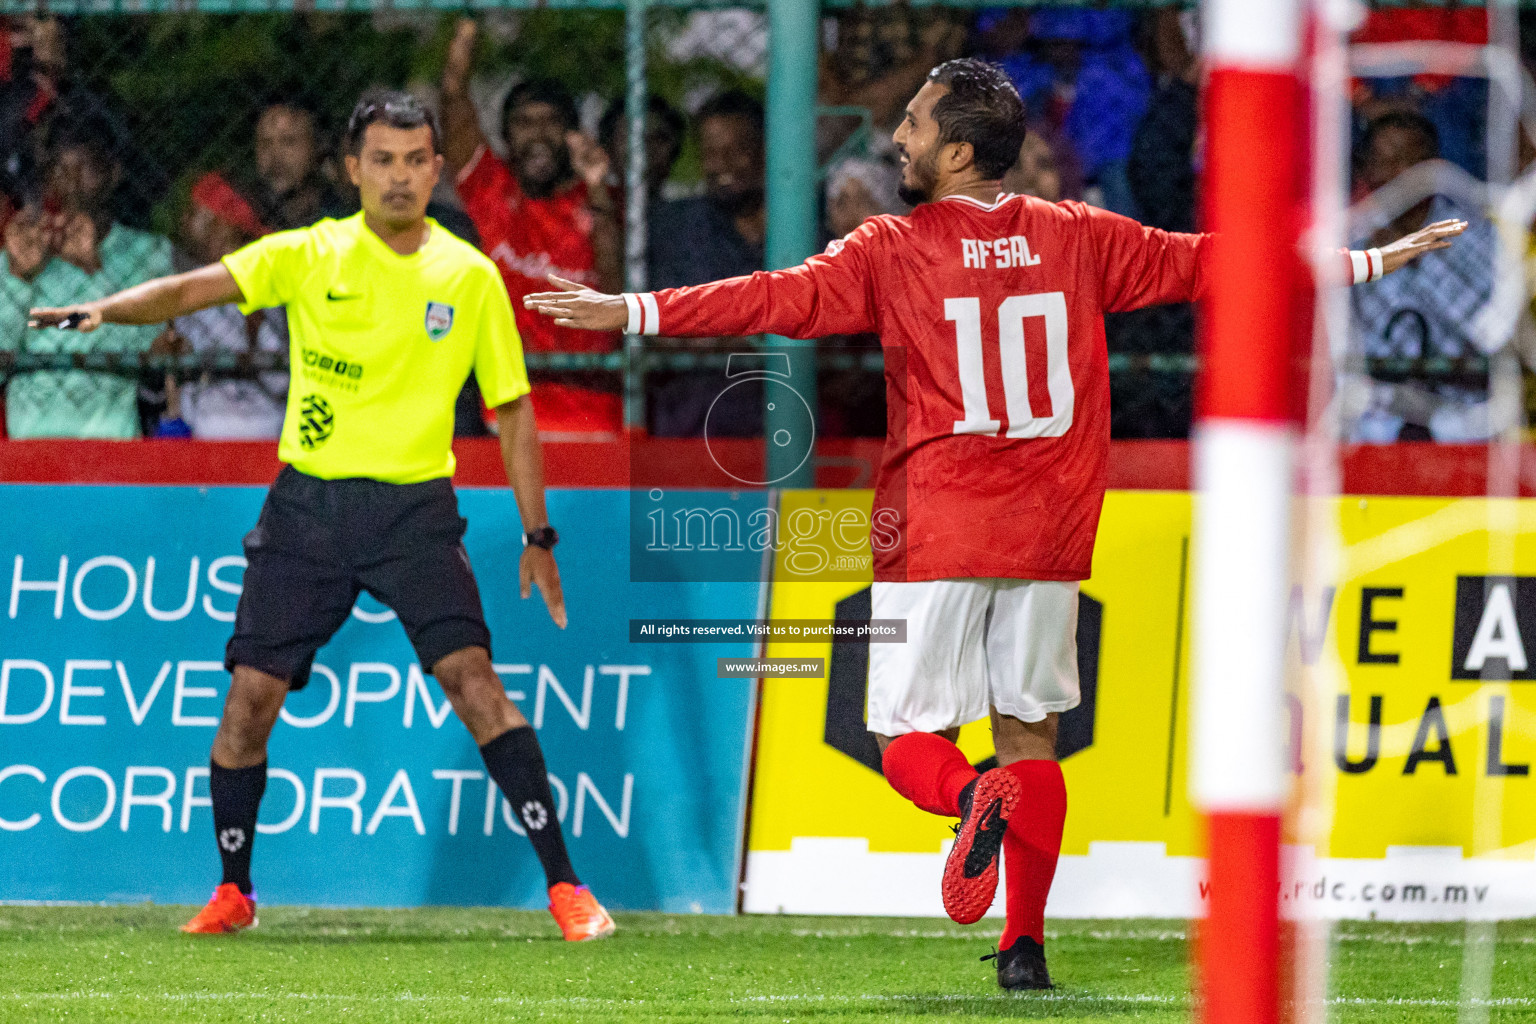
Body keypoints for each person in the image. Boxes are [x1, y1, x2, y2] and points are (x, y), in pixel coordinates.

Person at [525, 59, 1461, 987]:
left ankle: (975, 798)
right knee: (1032, 735)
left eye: (918, 125)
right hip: (1051, 527)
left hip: (940, 520)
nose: (898, 137)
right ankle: (1024, 950)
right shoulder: (1081, 235)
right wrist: (1366, 258)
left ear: (961, 150)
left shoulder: (890, 247)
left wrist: (633, 309)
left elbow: (772, 297)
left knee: (902, 743)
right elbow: (1220, 262)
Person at [28, 89, 615, 943]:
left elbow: (514, 412)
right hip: (308, 509)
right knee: (247, 704)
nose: (400, 176)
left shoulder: (468, 276)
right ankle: (234, 891)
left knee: (475, 684)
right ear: (353, 169)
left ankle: (567, 889)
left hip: (415, 512)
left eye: (416, 160)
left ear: (435, 169)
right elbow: (198, 288)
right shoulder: (310, 254)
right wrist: (108, 309)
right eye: (383, 159)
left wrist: (538, 535)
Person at [441, 18, 622, 436]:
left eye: (551, 122)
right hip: (505, 413)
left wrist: (596, 188)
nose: (538, 135)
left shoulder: (602, 201)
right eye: (524, 123)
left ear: (573, 134)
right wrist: (470, 25)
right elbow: (453, 95)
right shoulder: (491, 188)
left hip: (591, 416)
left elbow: (617, 294)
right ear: (505, 135)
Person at [0, 118, 173, 438]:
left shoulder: (148, 253)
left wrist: (95, 270)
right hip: (30, 442)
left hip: (112, 439)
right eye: (60, 170)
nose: (72, 181)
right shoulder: (23, 252)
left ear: (113, 173)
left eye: (85, 166)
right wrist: (19, 278)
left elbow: (151, 353)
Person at [1348, 110, 1497, 442]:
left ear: (1436, 169)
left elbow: (1490, 335)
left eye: (1413, 162)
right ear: (1366, 171)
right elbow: (1346, 353)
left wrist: (1409, 258)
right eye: (1387, 162)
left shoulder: (1476, 237)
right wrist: (1378, 256)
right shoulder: (1352, 244)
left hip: (1467, 423)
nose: (1401, 175)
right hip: (1374, 428)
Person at [250, 102, 349, 231]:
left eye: (288, 141)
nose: (275, 155)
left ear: (317, 147)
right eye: (265, 143)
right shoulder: (243, 218)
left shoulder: (341, 218)